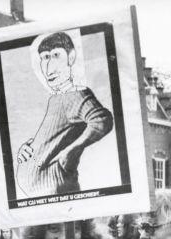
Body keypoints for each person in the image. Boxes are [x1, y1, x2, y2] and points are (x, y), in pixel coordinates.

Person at [16, 30, 113, 197]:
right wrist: (27, 149)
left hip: (55, 186)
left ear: (71, 57)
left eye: (55, 56)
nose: (48, 66)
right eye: (45, 58)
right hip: (41, 192)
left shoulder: (75, 94)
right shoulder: (56, 99)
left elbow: (102, 120)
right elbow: (53, 137)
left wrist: (70, 153)